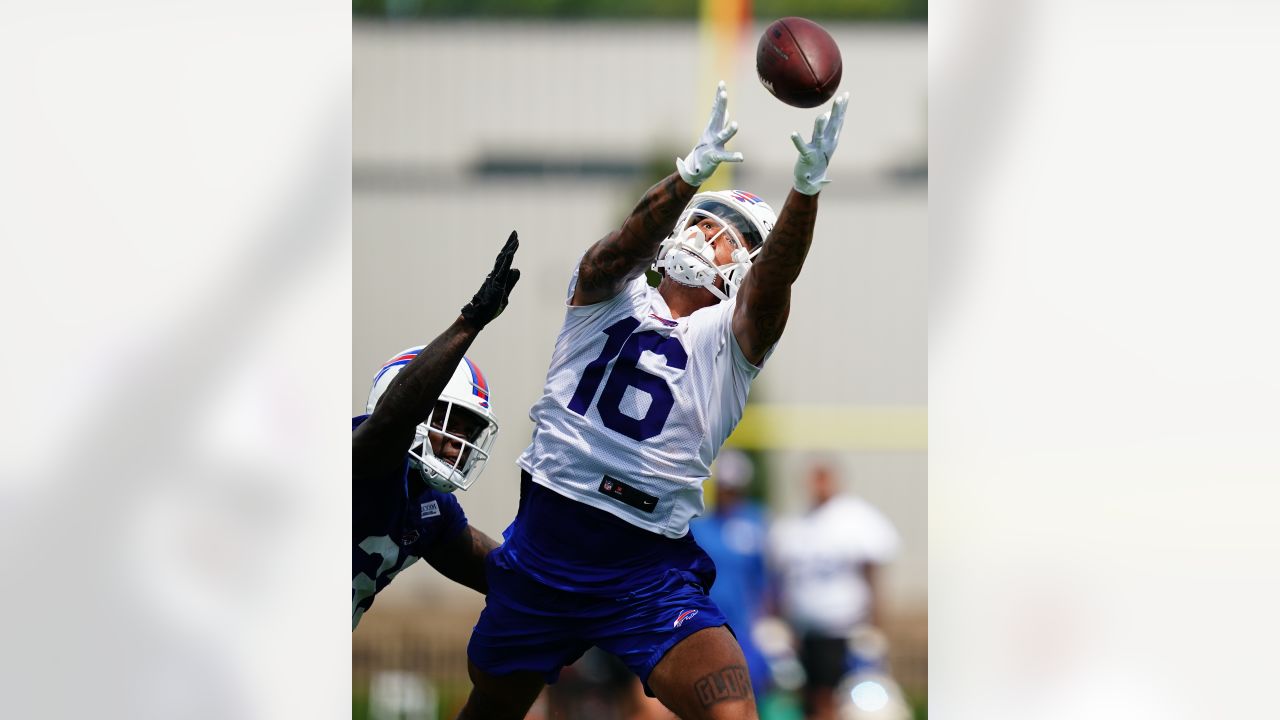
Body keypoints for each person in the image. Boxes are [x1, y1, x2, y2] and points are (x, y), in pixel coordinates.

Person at [457, 81, 850, 720]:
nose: (705, 233)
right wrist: (686, 178)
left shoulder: (731, 339)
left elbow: (775, 282)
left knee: (733, 712)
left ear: (747, 266)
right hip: (547, 543)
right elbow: (617, 249)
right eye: (701, 218)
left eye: (730, 234)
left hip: (644, 565)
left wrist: (805, 190)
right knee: (491, 710)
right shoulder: (607, 294)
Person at [352, 232, 521, 630]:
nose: (457, 444)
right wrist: (470, 322)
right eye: (449, 423)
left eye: (468, 430)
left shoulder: (430, 511)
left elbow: (509, 580)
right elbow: (392, 423)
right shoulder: (361, 459)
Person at [769, 463, 900, 720]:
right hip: (804, 632)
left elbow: (873, 571)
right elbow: (781, 580)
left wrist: (877, 624)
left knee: (848, 703)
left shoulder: (857, 518)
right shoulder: (794, 524)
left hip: (845, 631)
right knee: (805, 701)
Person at [690, 449, 773, 694]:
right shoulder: (699, 526)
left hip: (745, 626)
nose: (727, 494)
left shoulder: (757, 523)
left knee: (750, 688)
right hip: (706, 624)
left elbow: (765, 579)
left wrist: (768, 619)